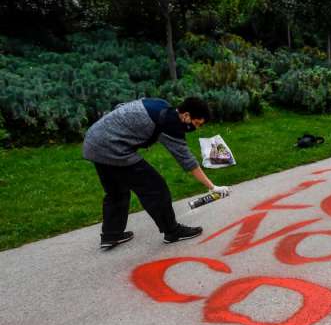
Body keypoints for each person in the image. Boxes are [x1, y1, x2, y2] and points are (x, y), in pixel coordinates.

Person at [83, 97, 230, 249]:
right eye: (196, 123)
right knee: (156, 188)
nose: (196, 128)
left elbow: (121, 106)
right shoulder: (170, 124)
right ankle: (172, 231)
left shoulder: (161, 105)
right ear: (186, 115)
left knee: (116, 191)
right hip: (112, 148)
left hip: (94, 140)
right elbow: (188, 161)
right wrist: (213, 187)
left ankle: (111, 235)